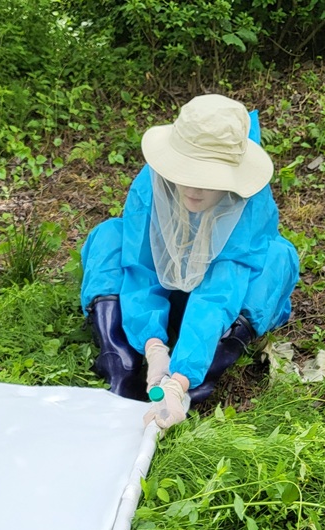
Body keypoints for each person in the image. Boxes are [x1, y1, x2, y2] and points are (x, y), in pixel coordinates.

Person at [80, 94, 300, 429]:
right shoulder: (150, 184)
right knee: (110, 235)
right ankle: (119, 359)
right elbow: (139, 266)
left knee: (277, 258)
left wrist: (179, 379)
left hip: (219, 306)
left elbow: (220, 292)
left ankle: (202, 377)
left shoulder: (250, 202)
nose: (194, 189)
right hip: (159, 288)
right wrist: (153, 347)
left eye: (209, 178)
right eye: (188, 171)